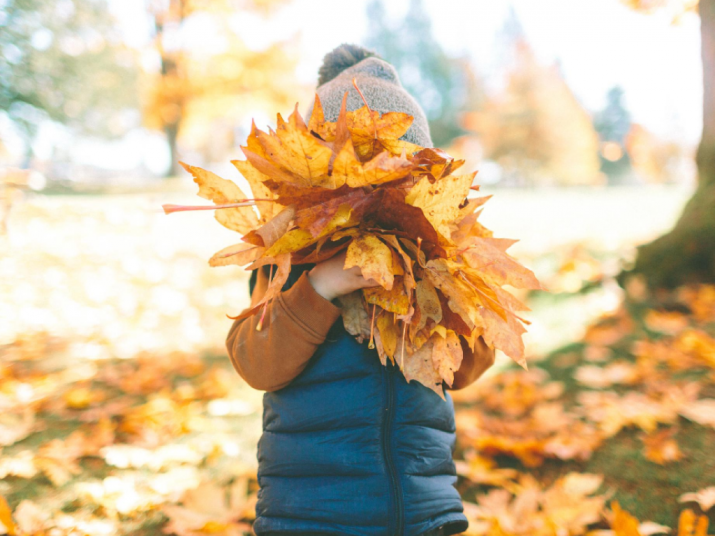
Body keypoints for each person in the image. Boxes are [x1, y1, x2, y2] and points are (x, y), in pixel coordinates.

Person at [226, 43, 496, 536]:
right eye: (361, 168)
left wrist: (455, 290)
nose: (378, 186)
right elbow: (255, 361)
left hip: (421, 508)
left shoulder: (430, 260)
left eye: (399, 169)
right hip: (311, 512)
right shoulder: (290, 258)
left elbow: (466, 370)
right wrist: (320, 285)